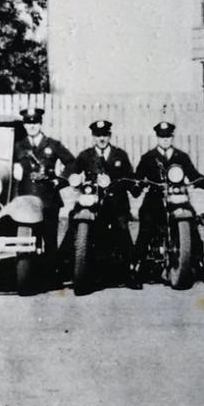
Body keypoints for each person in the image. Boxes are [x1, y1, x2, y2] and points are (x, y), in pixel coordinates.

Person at [131, 122, 204, 282]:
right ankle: (138, 265)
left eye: (168, 137)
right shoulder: (148, 157)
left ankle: (198, 262)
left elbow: (193, 175)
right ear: (157, 138)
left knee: (191, 222)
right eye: (162, 137)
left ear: (172, 138)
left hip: (178, 199)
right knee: (146, 227)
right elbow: (138, 178)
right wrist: (137, 184)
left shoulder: (181, 156)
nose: (165, 140)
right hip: (155, 200)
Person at [65, 120, 136, 289]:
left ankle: (130, 273)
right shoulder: (85, 155)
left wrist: (134, 185)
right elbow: (71, 170)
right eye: (98, 135)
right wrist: (71, 177)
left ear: (110, 136)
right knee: (74, 223)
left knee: (123, 230)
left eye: (104, 135)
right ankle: (72, 270)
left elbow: (130, 176)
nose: (101, 138)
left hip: (116, 203)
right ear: (93, 137)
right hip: (93, 202)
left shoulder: (120, 155)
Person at [12, 107, 75, 285]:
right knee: (28, 239)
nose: (32, 126)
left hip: (48, 199)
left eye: (35, 122)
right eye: (28, 123)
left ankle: (51, 278)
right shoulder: (17, 146)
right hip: (25, 199)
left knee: (50, 239)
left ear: (40, 124)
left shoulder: (53, 145)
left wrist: (60, 181)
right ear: (24, 125)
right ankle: (28, 277)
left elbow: (72, 163)